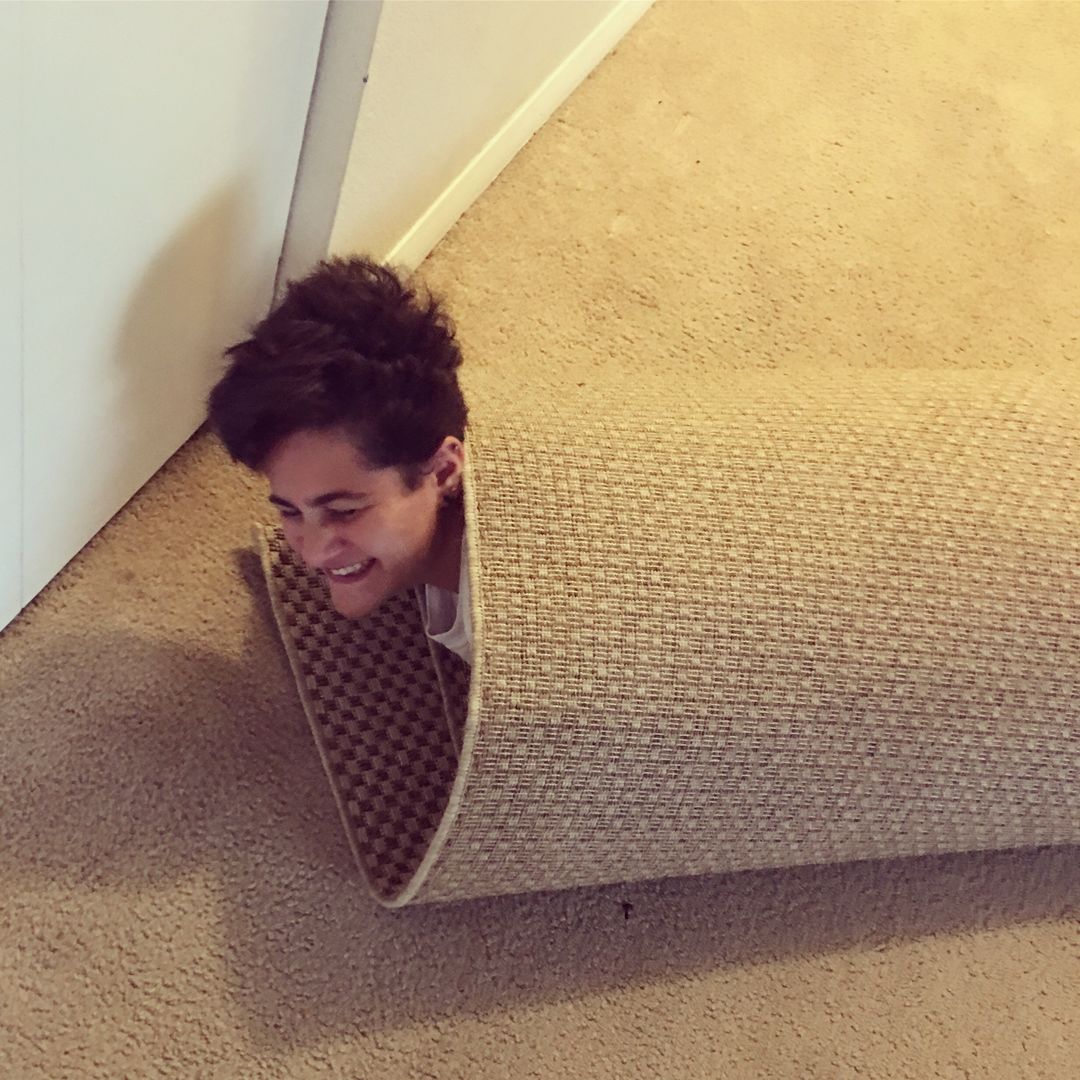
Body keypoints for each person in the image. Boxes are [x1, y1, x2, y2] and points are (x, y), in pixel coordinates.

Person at [206, 255, 474, 665]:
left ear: (443, 471)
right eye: (290, 512)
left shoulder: (525, 632)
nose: (312, 554)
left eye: (345, 511)